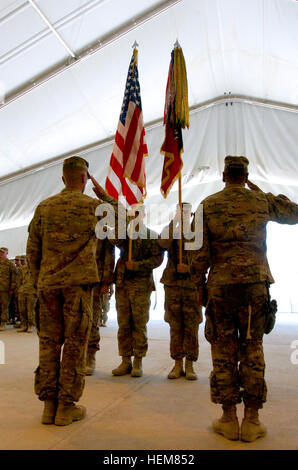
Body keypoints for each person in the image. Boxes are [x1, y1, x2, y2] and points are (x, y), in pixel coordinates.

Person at [195, 155, 298, 442]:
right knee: (253, 349)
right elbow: (294, 213)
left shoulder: (209, 204)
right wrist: (261, 192)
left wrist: (198, 286)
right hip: (254, 286)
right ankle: (252, 420)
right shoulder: (261, 201)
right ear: (246, 175)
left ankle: (228, 418)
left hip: (221, 287)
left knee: (223, 350)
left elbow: (199, 253)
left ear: (224, 175)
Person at [26, 156, 117, 426]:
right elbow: (124, 230)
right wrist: (107, 197)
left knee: (49, 345)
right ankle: (66, 407)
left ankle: (48, 406)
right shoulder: (95, 207)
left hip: (48, 286)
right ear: (85, 179)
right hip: (77, 288)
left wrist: (39, 279)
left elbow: (32, 251)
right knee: (75, 346)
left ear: (63, 178)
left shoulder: (44, 207)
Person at [110, 204, 164, 378]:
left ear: (144, 215)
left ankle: (138, 361)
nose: (135, 216)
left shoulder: (152, 236)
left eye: (138, 213)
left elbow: (157, 259)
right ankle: (125, 360)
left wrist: (139, 265)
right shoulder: (124, 235)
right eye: (132, 214)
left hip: (141, 285)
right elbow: (113, 240)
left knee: (139, 324)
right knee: (124, 324)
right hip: (123, 284)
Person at [158, 203, 203, 380]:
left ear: (191, 214)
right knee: (175, 325)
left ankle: (190, 364)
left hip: (191, 284)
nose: (182, 214)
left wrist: (190, 267)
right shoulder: (172, 230)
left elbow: (204, 255)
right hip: (173, 284)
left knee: (191, 325)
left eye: (185, 212)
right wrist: (173, 222)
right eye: (179, 211)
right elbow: (162, 243)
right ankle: (177, 363)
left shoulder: (197, 232)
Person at [85, 238, 115, 375]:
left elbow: (109, 256)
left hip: (94, 281)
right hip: (74, 279)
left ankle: (90, 356)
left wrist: (106, 282)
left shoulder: (101, 231)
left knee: (92, 319)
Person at [17, 255, 37, 333]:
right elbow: (19, 279)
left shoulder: (35, 269)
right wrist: (18, 289)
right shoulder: (23, 269)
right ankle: (24, 325)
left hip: (31, 291)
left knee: (31, 310)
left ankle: (30, 325)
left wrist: (37, 290)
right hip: (22, 291)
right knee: (22, 309)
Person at [0, 247, 16, 331]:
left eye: (2, 253)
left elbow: (13, 277)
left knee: (4, 306)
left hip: (5, 289)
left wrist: (11, 288)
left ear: (6, 253)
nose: (0, 254)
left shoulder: (9, 264)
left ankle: (3, 322)